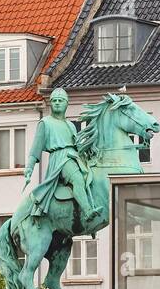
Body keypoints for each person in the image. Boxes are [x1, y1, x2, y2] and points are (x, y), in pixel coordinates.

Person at [22, 88, 102, 224]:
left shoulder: (70, 125)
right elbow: (36, 147)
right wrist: (29, 168)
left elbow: (76, 145)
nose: (57, 103)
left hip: (74, 157)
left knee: (93, 177)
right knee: (77, 179)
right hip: (60, 158)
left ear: (66, 104)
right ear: (51, 104)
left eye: (60, 101)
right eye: (54, 101)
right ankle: (88, 211)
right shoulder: (45, 123)